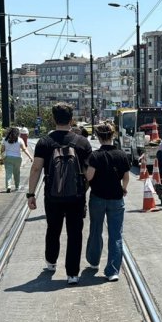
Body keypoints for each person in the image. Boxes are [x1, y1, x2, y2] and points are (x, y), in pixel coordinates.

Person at [27, 102, 93, 285]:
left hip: (52, 195)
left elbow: (35, 169)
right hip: (76, 196)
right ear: (72, 119)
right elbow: (89, 173)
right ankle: (72, 273)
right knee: (75, 233)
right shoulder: (82, 142)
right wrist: (85, 190)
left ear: (53, 119)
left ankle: (51, 262)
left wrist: (30, 194)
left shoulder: (44, 142)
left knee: (53, 229)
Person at [85, 123, 130, 282]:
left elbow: (89, 177)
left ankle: (94, 261)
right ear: (113, 135)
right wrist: (124, 188)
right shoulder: (121, 155)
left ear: (98, 136)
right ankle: (112, 271)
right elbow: (126, 177)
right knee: (116, 234)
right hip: (116, 199)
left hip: (97, 198)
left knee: (96, 229)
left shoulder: (95, 156)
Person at [0, 127, 33, 193]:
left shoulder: (5, 140)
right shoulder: (20, 140)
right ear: (17, 133)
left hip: (8, 158)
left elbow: (2, 150)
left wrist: (1, 157)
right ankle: (17, 186)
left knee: (8, 173)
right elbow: (24, 149)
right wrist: (30, 157)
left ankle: (8, 186)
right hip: (17, 158)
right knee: (17, 173)